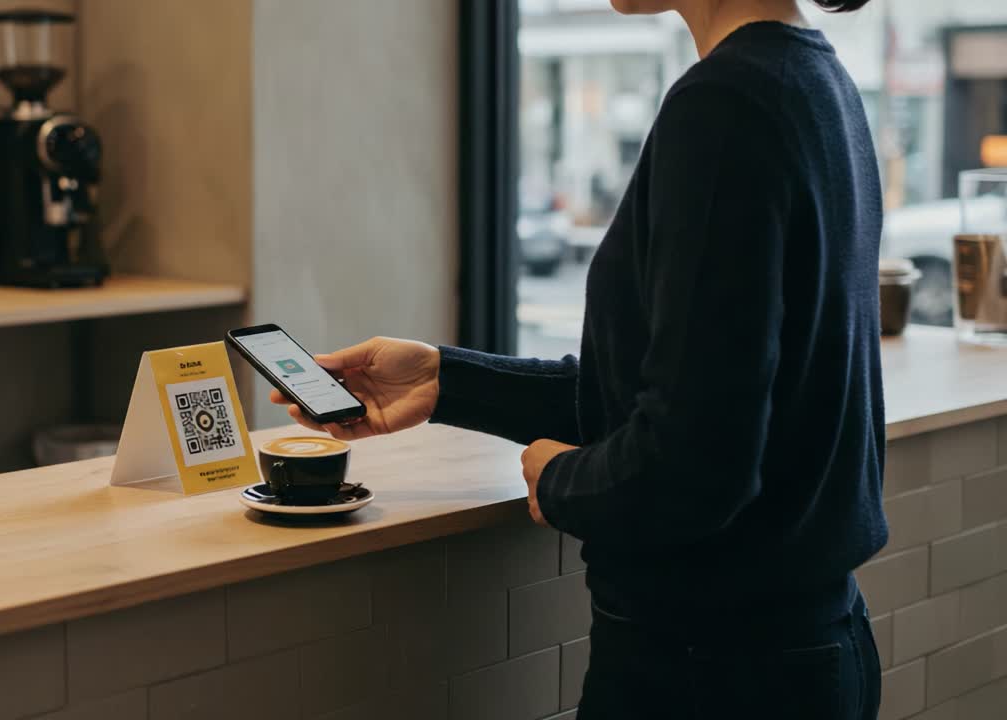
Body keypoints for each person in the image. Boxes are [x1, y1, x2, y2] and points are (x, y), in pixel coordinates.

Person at [273, 0, 887, 717]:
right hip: (797, 654)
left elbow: (693, 466)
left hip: (707, 674)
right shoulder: (816, 80)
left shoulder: (725, 104)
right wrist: (446, 380)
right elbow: (672, 391)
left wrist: (559, 480)